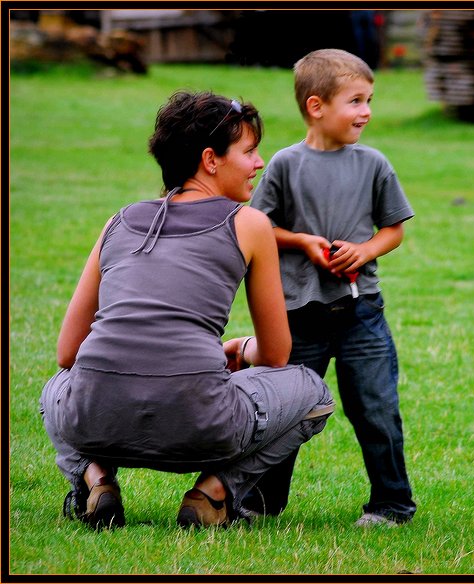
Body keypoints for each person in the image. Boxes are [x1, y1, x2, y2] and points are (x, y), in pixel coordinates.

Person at [39, 90, 335, 530]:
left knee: (55, 389)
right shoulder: (249, 223)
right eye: (249, 151)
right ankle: (212, 493)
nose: (259, 163)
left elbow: (68, 354)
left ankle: (95, 477)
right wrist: (239, 348)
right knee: (313, 393)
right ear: (210, 160)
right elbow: (276, 356)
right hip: (200, 426)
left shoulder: (119, 220)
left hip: (96, 421)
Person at [248, 48, 416, 527]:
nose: (367, 111)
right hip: (300, 312)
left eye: (369, 100)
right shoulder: (284, 164)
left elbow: (394, 230)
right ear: (317, 106)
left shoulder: (374, 164)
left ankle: (391, 505)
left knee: (376, 409)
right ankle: (263, 502)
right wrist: (301, 240)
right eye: (356, 101)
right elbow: (257, 226)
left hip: (361, 313)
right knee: (288, 410)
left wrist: (365, 251)